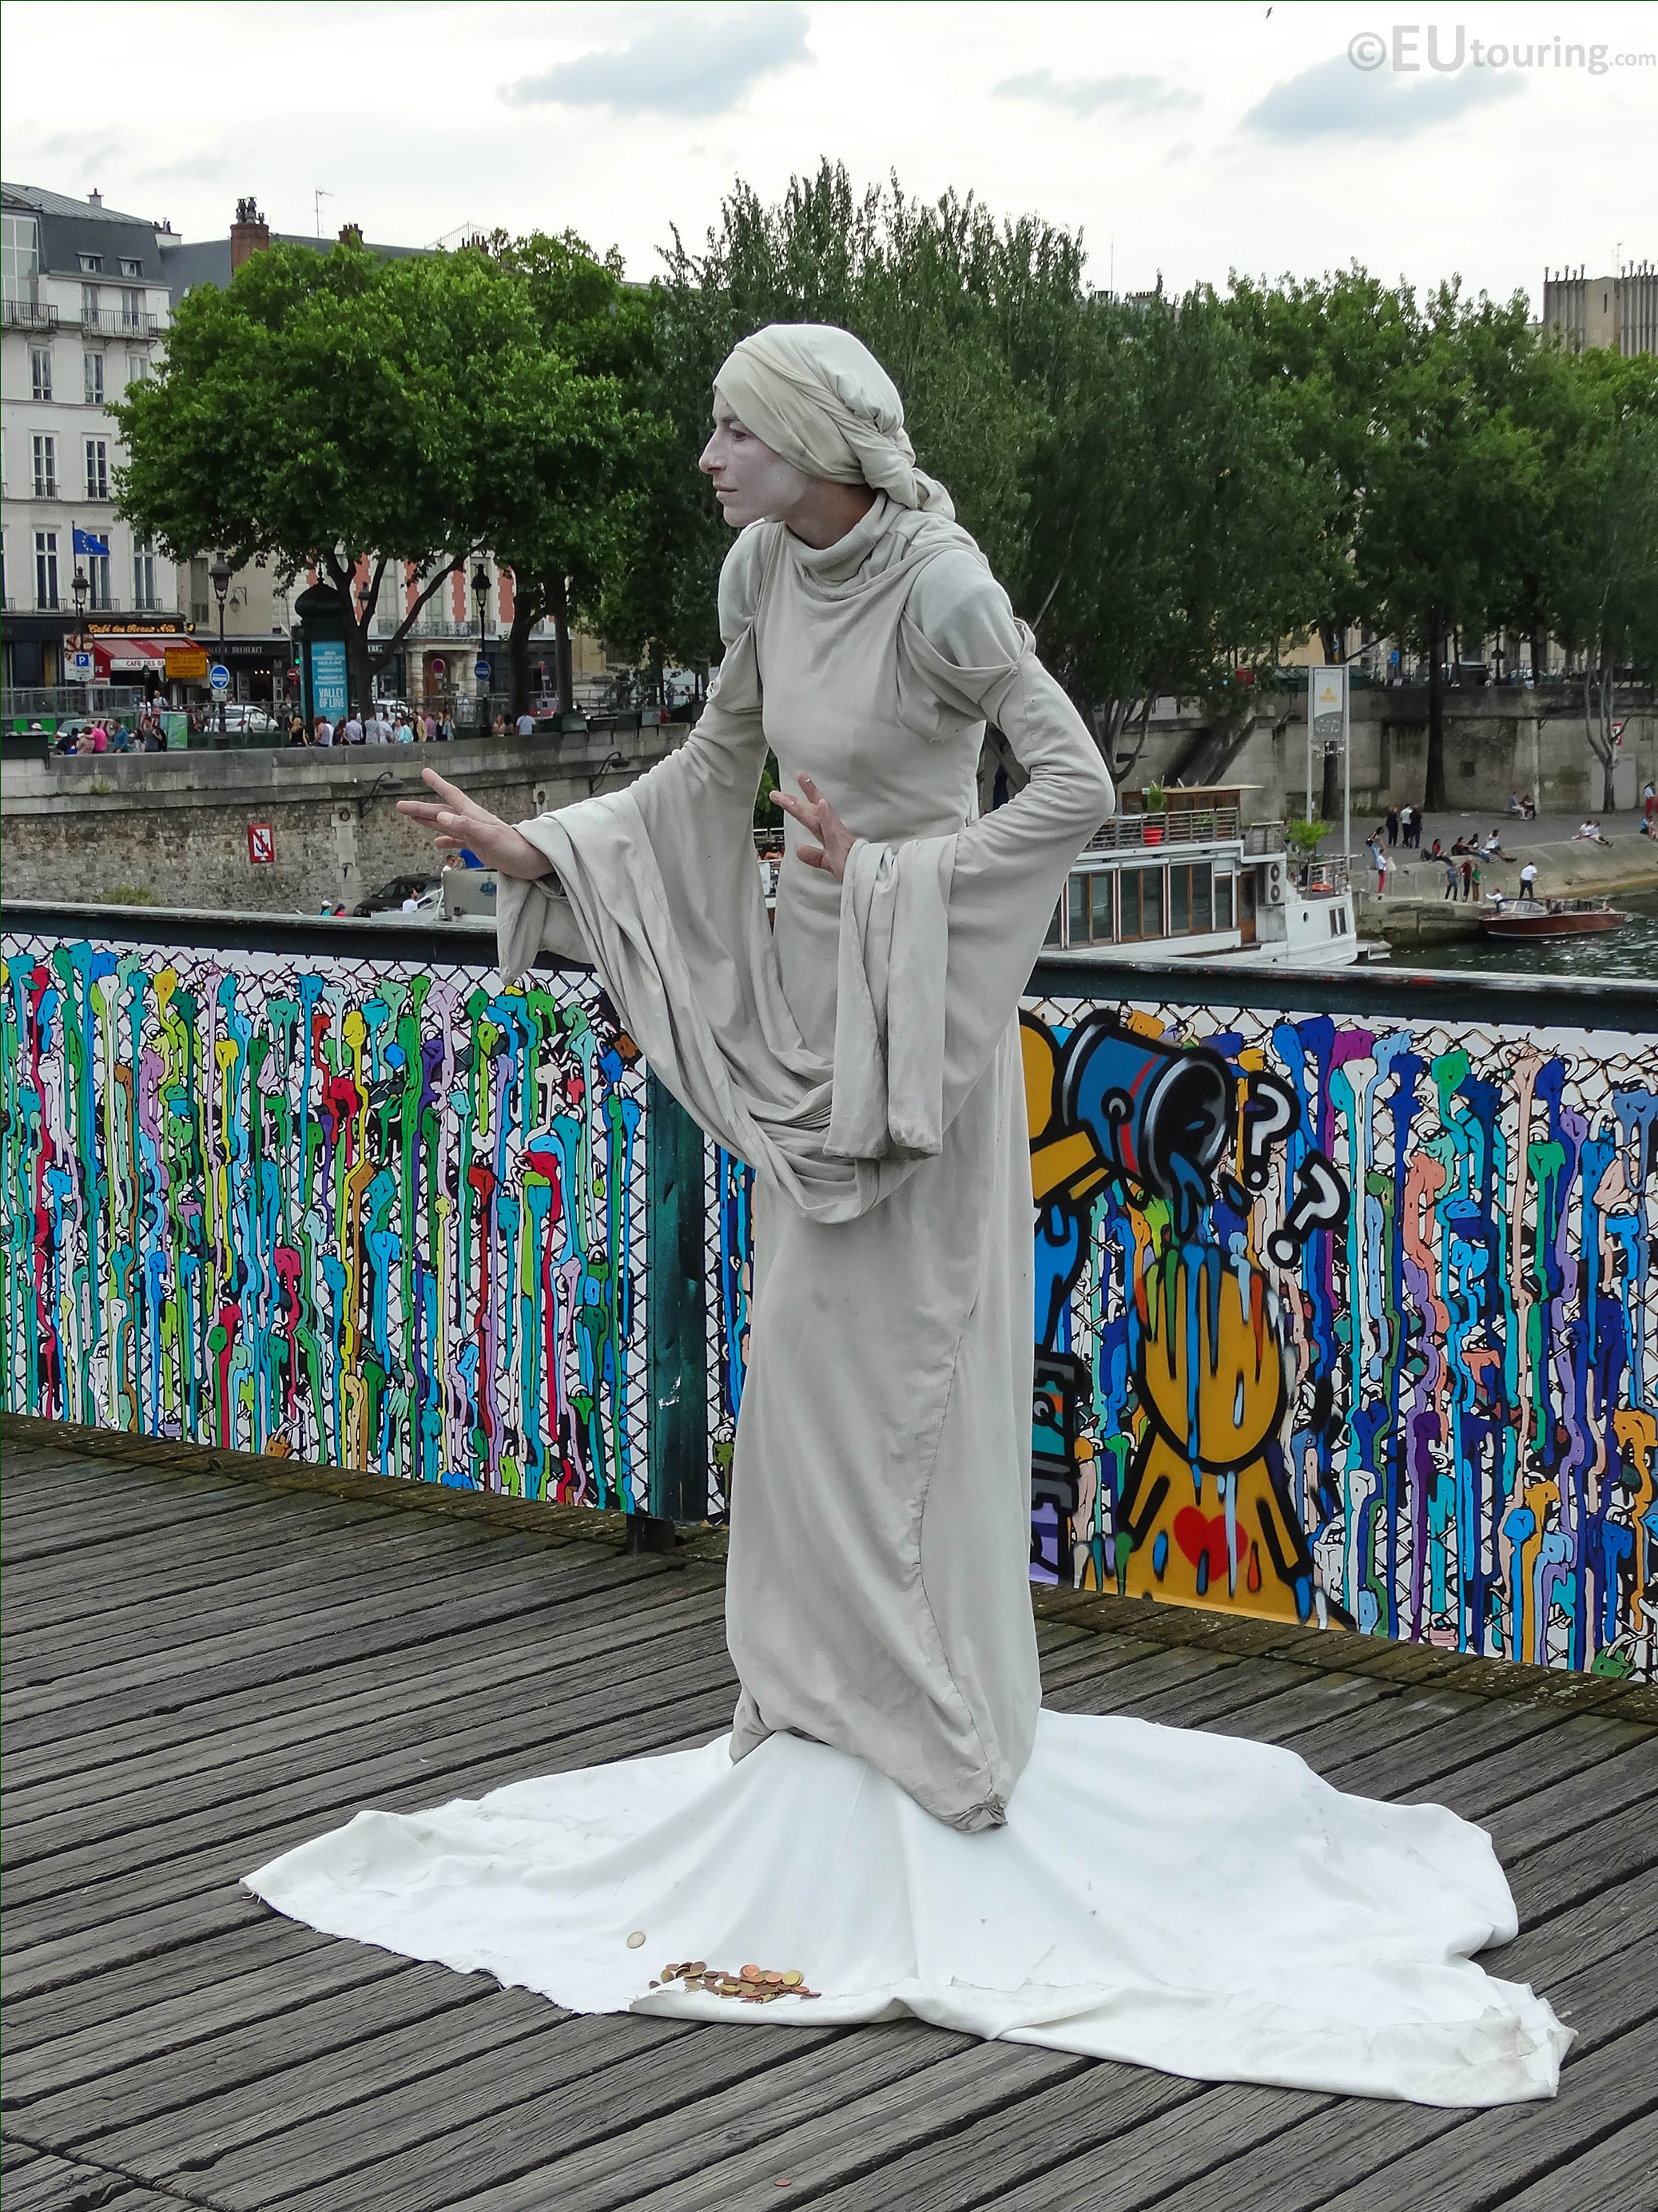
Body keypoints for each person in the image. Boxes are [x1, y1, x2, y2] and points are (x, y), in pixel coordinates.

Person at [249, 320, 1569, 2111]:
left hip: (913, 1026)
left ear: (807, 438)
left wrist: (891, 881)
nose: (705, 453)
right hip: (808, 1009)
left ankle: (928, 1732)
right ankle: (816, 1715)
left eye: (730, 427)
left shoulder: (942, 585)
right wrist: (546, 853)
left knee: (883, 1377)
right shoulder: (752, 574)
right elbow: (712, 771)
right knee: (798, 1378)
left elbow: (1074, 785)